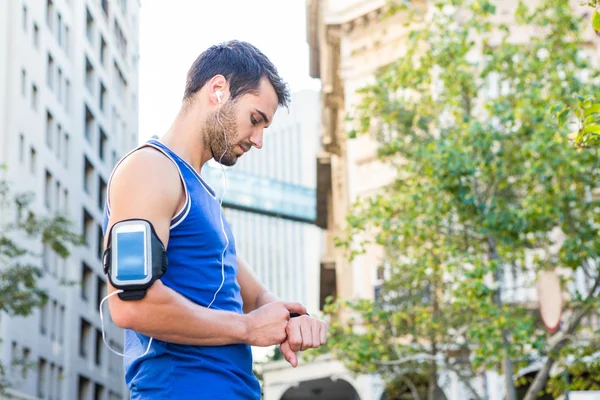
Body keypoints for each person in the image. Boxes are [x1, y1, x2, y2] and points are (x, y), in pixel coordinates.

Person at [102, 40, 328, 399]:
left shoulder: (202, 196)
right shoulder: (150, 169)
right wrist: (246, 329)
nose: (258, 140)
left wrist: (293, 321)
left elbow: (255, 297)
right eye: (255, 120)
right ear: (218, 90)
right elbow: (131, 304)